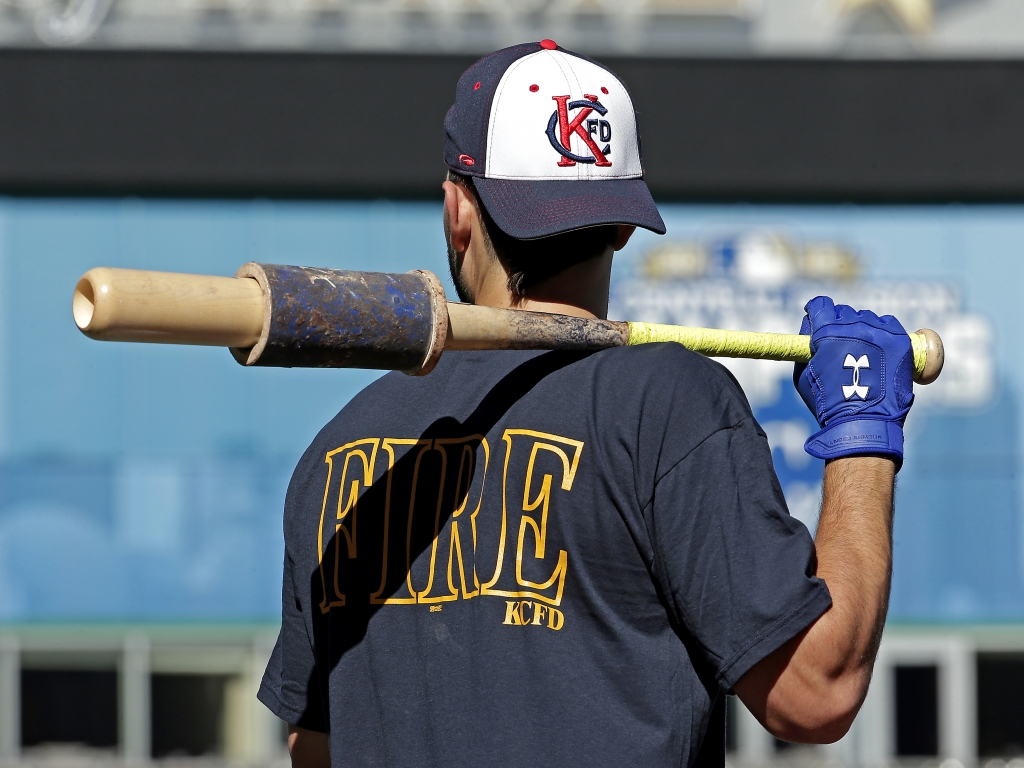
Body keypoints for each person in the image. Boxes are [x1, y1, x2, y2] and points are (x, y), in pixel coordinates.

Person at [258, 40, 913, 768]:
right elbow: (814, 690)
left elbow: (313, 745)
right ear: (626, 222)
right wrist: (862, 434)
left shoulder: (336, 453)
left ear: (458, 211)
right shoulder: (664, 404)